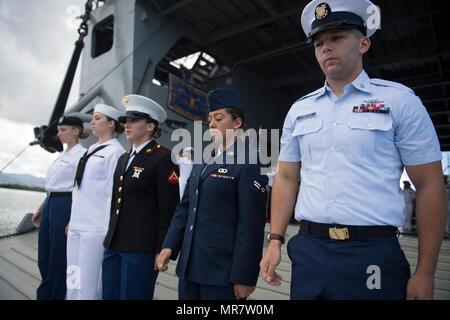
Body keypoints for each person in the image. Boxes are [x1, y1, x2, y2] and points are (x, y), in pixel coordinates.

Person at [260, 0, 447, 300]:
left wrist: (425, 272)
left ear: (363, 43)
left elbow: (429, 184)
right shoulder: (299, 110)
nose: (326, 48)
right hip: (309, 249)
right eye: (319, 42)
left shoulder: (399, 102)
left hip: (371, 252)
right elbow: (286, 178)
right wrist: (275, 241)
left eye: (337, 38)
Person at [157, 88, 268, 300]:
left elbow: (251, 225)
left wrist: (245, 276)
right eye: (209, 119)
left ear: (237, 123)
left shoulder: (250, 161)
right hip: (189, 268)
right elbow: (185, 208)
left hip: (221, 274)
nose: (211, 124)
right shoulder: (203, 160)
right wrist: (169, 245)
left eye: (218, 118)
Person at [102, 94, 180, 300]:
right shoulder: (123, 159)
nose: (127, 125)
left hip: (141, 249)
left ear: (150, 126)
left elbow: (169, 208)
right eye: (126, 121)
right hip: (114, 244)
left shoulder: (162, 158)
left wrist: (163, 249)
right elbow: (115, 202)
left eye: (134, 120)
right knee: (109, 295)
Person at [65, 104, 125, 300]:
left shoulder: (115, 153)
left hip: (95, 227)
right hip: (77, 224)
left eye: (98, 118)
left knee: (90, 285)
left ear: (111, 123)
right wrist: (71, 220)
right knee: (73, 277)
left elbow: (112, 193)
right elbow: (79, 190)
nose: (92, 122)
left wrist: (109, 228)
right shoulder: (91, 149)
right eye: (93, 118)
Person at [32, 116, 87, 300]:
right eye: (59, 130)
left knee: (58, 256)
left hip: (66, 204)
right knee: (44, 256)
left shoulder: (82, 155)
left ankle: (54, 296)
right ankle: (46, 294)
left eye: (63, 129)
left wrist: (75, 217)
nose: (59, 134)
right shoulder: (61, 156)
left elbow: (82, 188)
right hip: (50, 203)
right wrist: (41, 207)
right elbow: (52, 185)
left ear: (76, 131)